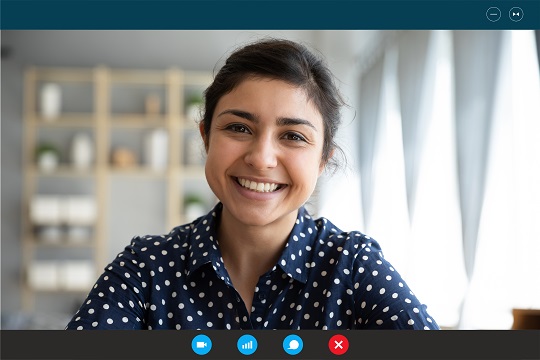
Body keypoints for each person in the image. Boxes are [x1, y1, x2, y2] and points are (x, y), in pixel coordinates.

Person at [66, 38, 439, 330]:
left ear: (323, 159)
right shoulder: (146, 268)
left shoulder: (353, 268)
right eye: (239, 128)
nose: (261, 158)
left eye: (293, 136)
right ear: (206, 137)